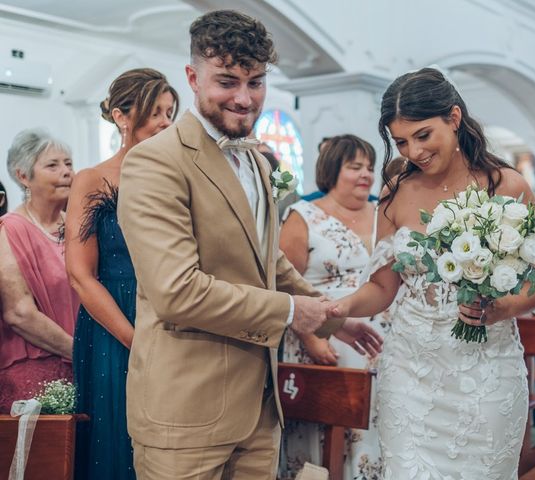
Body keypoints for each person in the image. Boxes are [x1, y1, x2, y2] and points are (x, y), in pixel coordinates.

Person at [116, 10, 382, 479]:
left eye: (255, 82)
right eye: (227, 82)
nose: (244, 98)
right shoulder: (154, 163)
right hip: (188, 410)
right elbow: (177, 291)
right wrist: (290, 313)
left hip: (260, 405)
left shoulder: (256, 162)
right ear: (193, 77)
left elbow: (268, 261)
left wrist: (328, 318)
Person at [328, 67, 535, 479]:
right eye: (401, 141)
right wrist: (342, 306)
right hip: (410, 373)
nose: (413, 152)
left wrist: (500, 309)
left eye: (422, 135)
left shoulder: (506, 186)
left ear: (454, 118)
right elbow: (383, 287)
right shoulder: (395, 191)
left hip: (486, 370)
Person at [65, 68, 179, 480]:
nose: (167, 122)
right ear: (121, 116)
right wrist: (137, 340)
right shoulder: (93, 180)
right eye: (156, 112)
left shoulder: (177, 178)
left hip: (171, 316)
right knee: (117, 438)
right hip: (114, 323)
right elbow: (81, 275)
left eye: (170, 112)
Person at [279, 134, 387, 479]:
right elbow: (284, 284)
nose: (365, 175)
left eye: (369, 167)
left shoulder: (382, 214)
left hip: (381, 344)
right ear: (332, 170)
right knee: (327, 435)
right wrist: (312, 338)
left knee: (376, 428)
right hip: (323, 340)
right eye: (355, 167)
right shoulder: (304, 216)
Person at [0, 129, 78, 412]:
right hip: (36, 373)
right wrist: (80, 352)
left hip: (86, 366)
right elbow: (19, 313)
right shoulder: (9, 229)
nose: (66, 172)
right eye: (52, 165)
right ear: (23, 176)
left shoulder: (78, 226)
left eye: (69, 163)